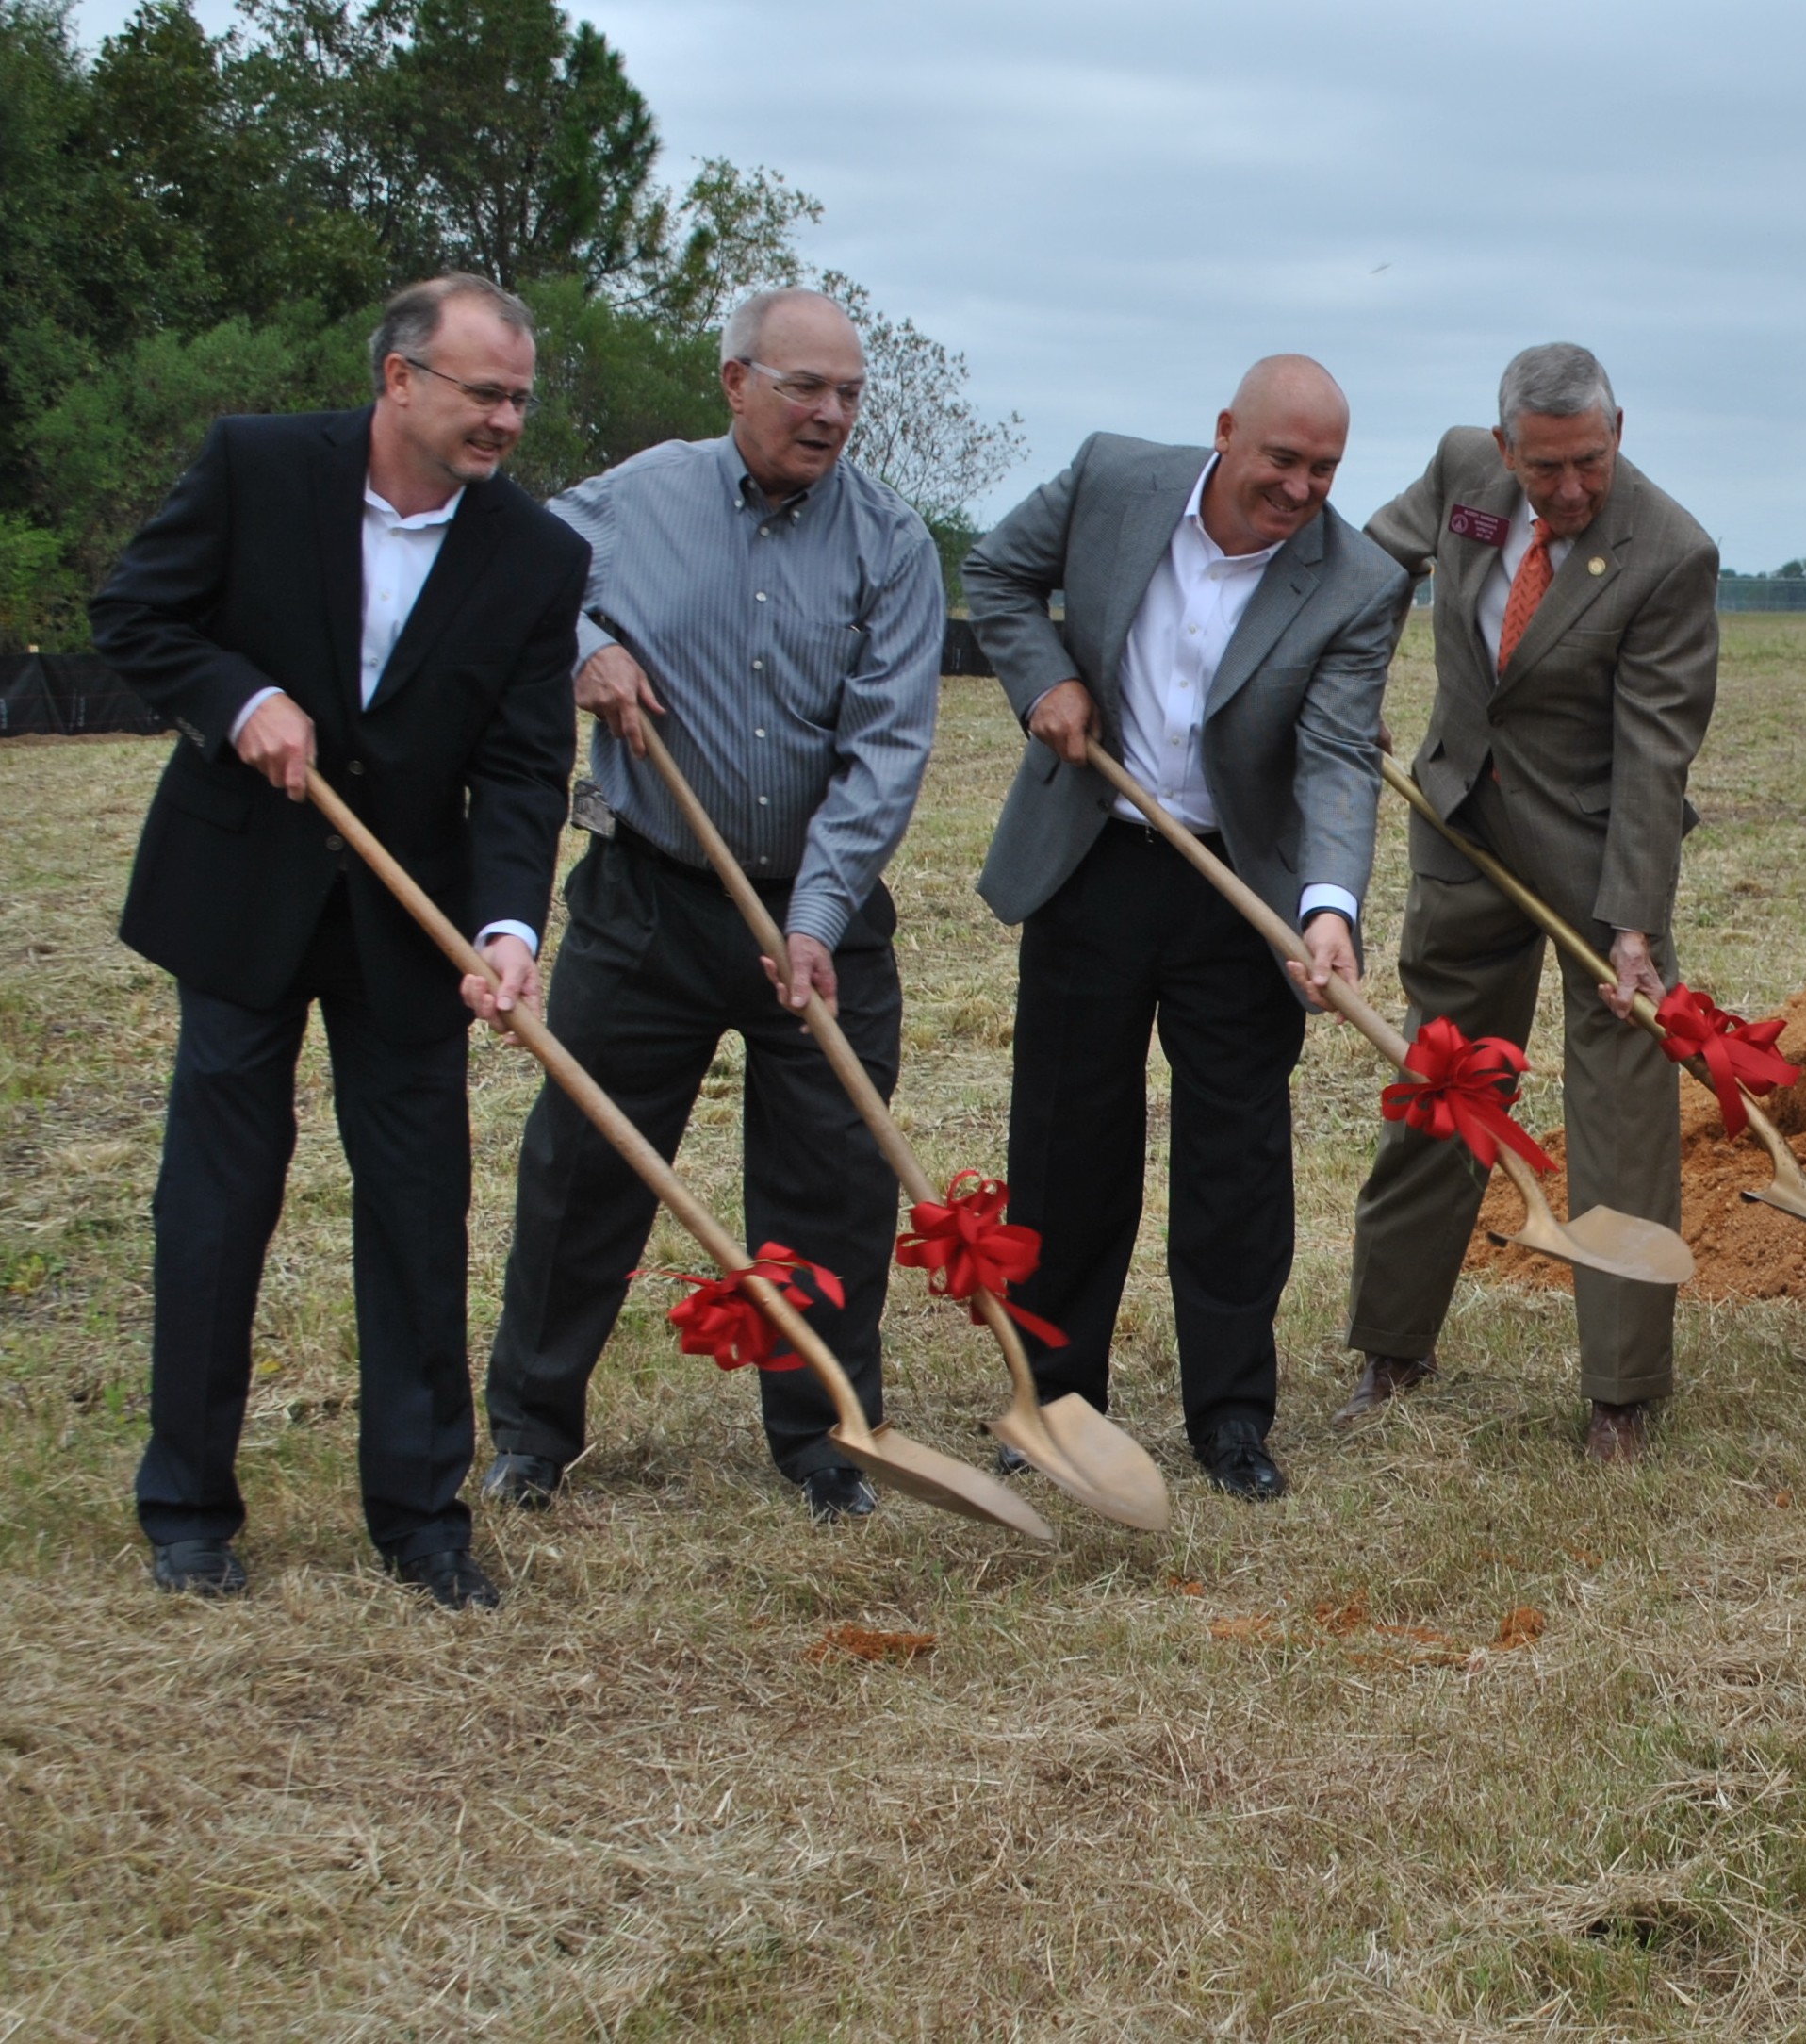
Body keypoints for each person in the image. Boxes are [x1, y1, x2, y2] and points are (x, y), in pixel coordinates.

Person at [95, 274, 586, 1607]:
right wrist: (237, 697)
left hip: (409, 926)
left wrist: (506, 926)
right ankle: (188, 1508)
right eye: (485, 393)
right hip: (240, 897)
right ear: (400, 378)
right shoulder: (256, 469)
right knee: (217, 1201)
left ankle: (422, 1520)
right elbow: (136, 613)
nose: (506, 421)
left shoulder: (537, 557)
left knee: (420, 1209)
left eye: (520, 400)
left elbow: (524, 766)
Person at [480, 287, 944, 1518]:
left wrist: (818, 917)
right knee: (584, 1167)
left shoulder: (892, 543)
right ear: (736, 381)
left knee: (833, 1178)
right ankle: (530, 1431)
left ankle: (826, 1439)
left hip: (819, 911)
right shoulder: (633, 500)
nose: (830, 413)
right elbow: (508, 566)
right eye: (805, 387)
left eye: (849, 393)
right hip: (647, 895)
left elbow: (886, 749)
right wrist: (583, 644)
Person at [962, 357, 1404, 1503]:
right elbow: (997, 573)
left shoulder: (1357, 579)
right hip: (1093, 862)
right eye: (1282, 459)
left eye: (1324, 468)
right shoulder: (1110, 479)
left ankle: (1233, 1415)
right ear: (1224, 433)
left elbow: (1337, 754)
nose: (1301, 488)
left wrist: (1327, 906)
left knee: (1235, 1160)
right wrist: (1043, 678)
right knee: (1066, 1146)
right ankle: (1055, 1398)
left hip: (1237, 886)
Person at [1339, 343, 1719, 1463]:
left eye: (1590, 462)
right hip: (1462, 824)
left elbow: (1655, 752)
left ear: (1618, 432)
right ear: (1505, 447)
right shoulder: (1463, 472)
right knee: (1444, 1080)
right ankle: (1391, 1344)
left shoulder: (1669, 550)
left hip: (1600, 862)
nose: (1570, 489)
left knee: (1620, 1117)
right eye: (1546, 467)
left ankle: (1620, 1392)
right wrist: (1351, 683)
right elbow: (1368, 566)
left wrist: (1634, 926)